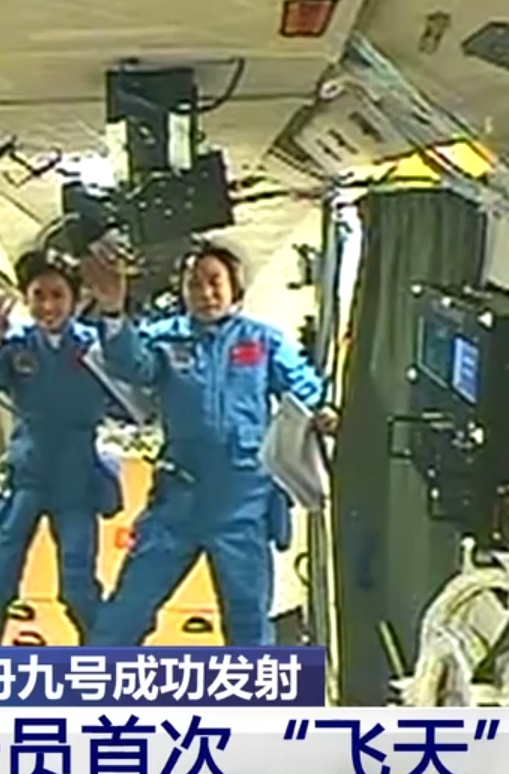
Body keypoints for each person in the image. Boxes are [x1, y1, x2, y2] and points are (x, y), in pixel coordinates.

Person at [80, 241, 337, 646]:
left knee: (248, 624)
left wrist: (324, 411)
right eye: (194, 284)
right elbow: (131, 365)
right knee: (125, 614)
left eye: (215, 282)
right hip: (177, 500)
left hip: (242, 503)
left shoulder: (263, 341)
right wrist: (112, 313)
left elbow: (306, 388)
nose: (205, 293)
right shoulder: (166, 338)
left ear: (235, 287)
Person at [0, 250, 125, 645]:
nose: (48, 306)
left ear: (76, 299)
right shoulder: (15, 346)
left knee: (78, 584)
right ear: (26, 298)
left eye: (57, 295)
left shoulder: (95, 347)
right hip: (26, 475)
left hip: (77, 479)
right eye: (38, 295)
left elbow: (132, 391)